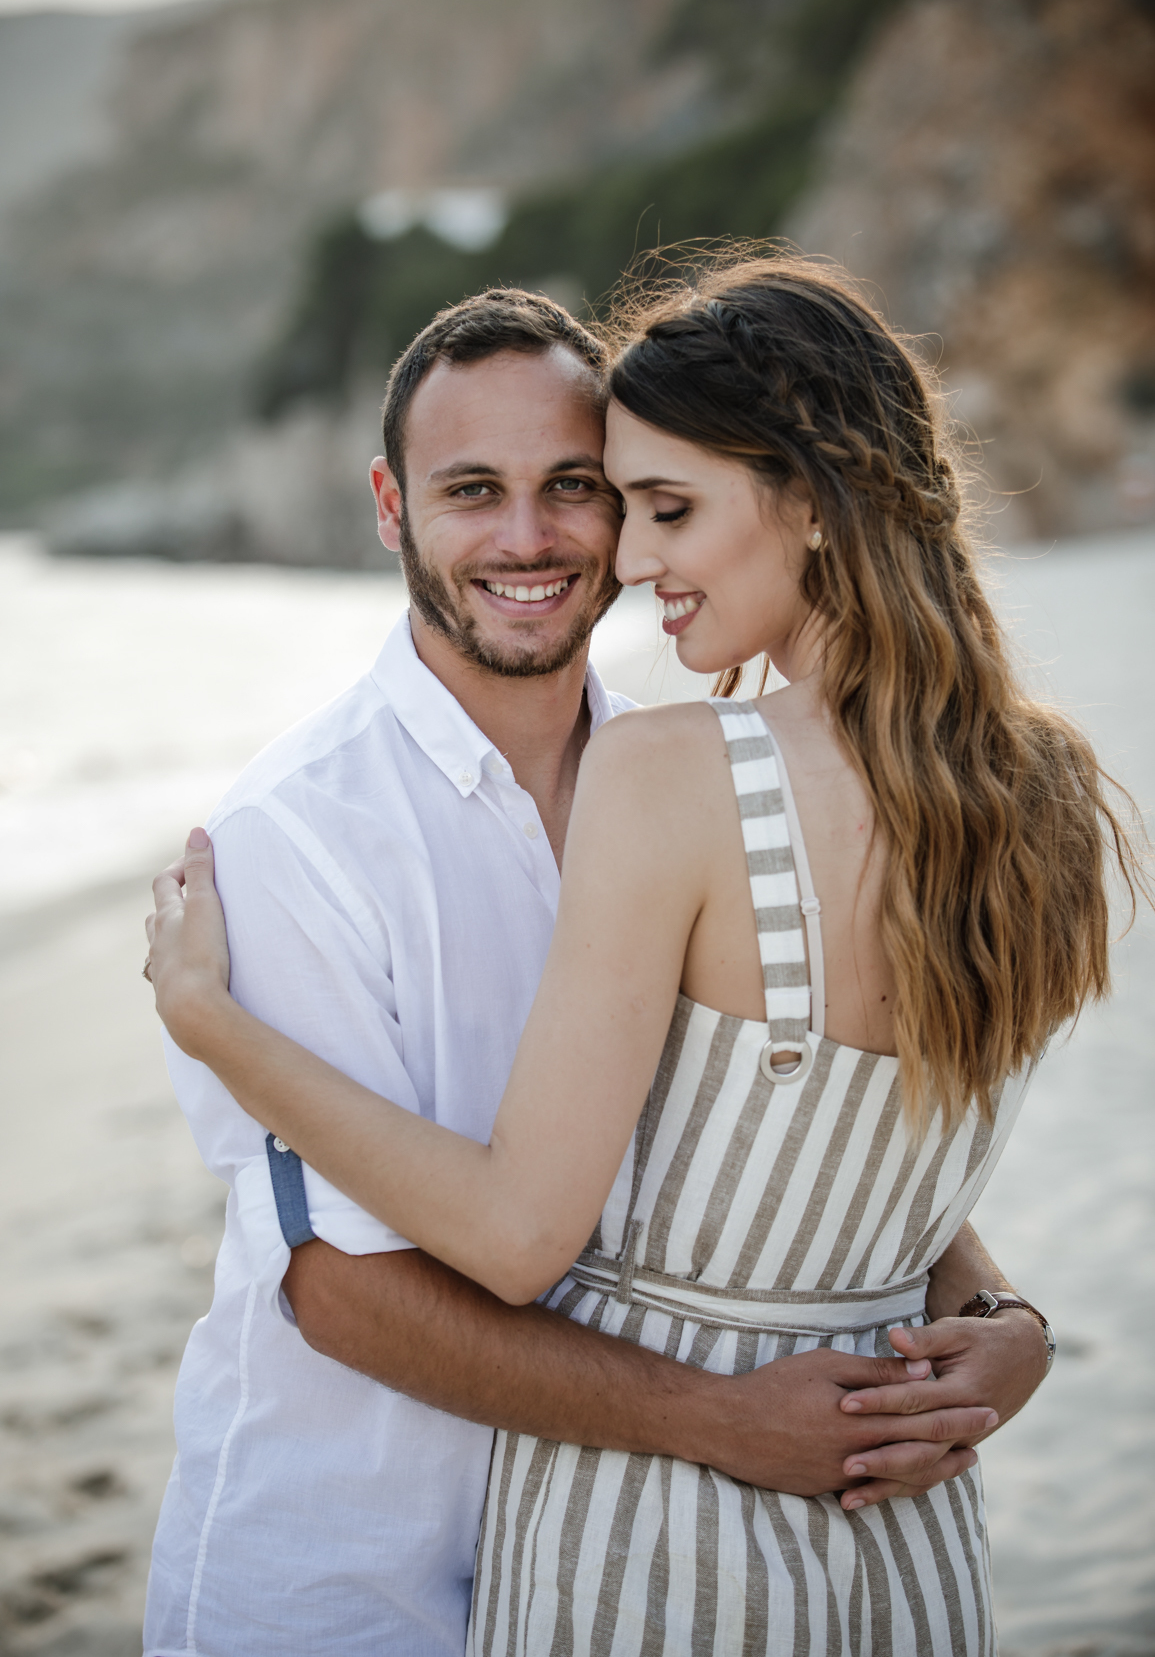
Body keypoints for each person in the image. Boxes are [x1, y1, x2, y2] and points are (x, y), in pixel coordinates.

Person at [143, 282, 1060, 1657]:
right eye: (471, 492)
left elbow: (790, 1129)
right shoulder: (297, 841)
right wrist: (719, 1419)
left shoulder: (680, 776)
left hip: (634, 1542)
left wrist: (992, 1311)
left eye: (583, 488)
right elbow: (339, 1288)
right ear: (393, 512)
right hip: (361, 1576)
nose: (533, 538)